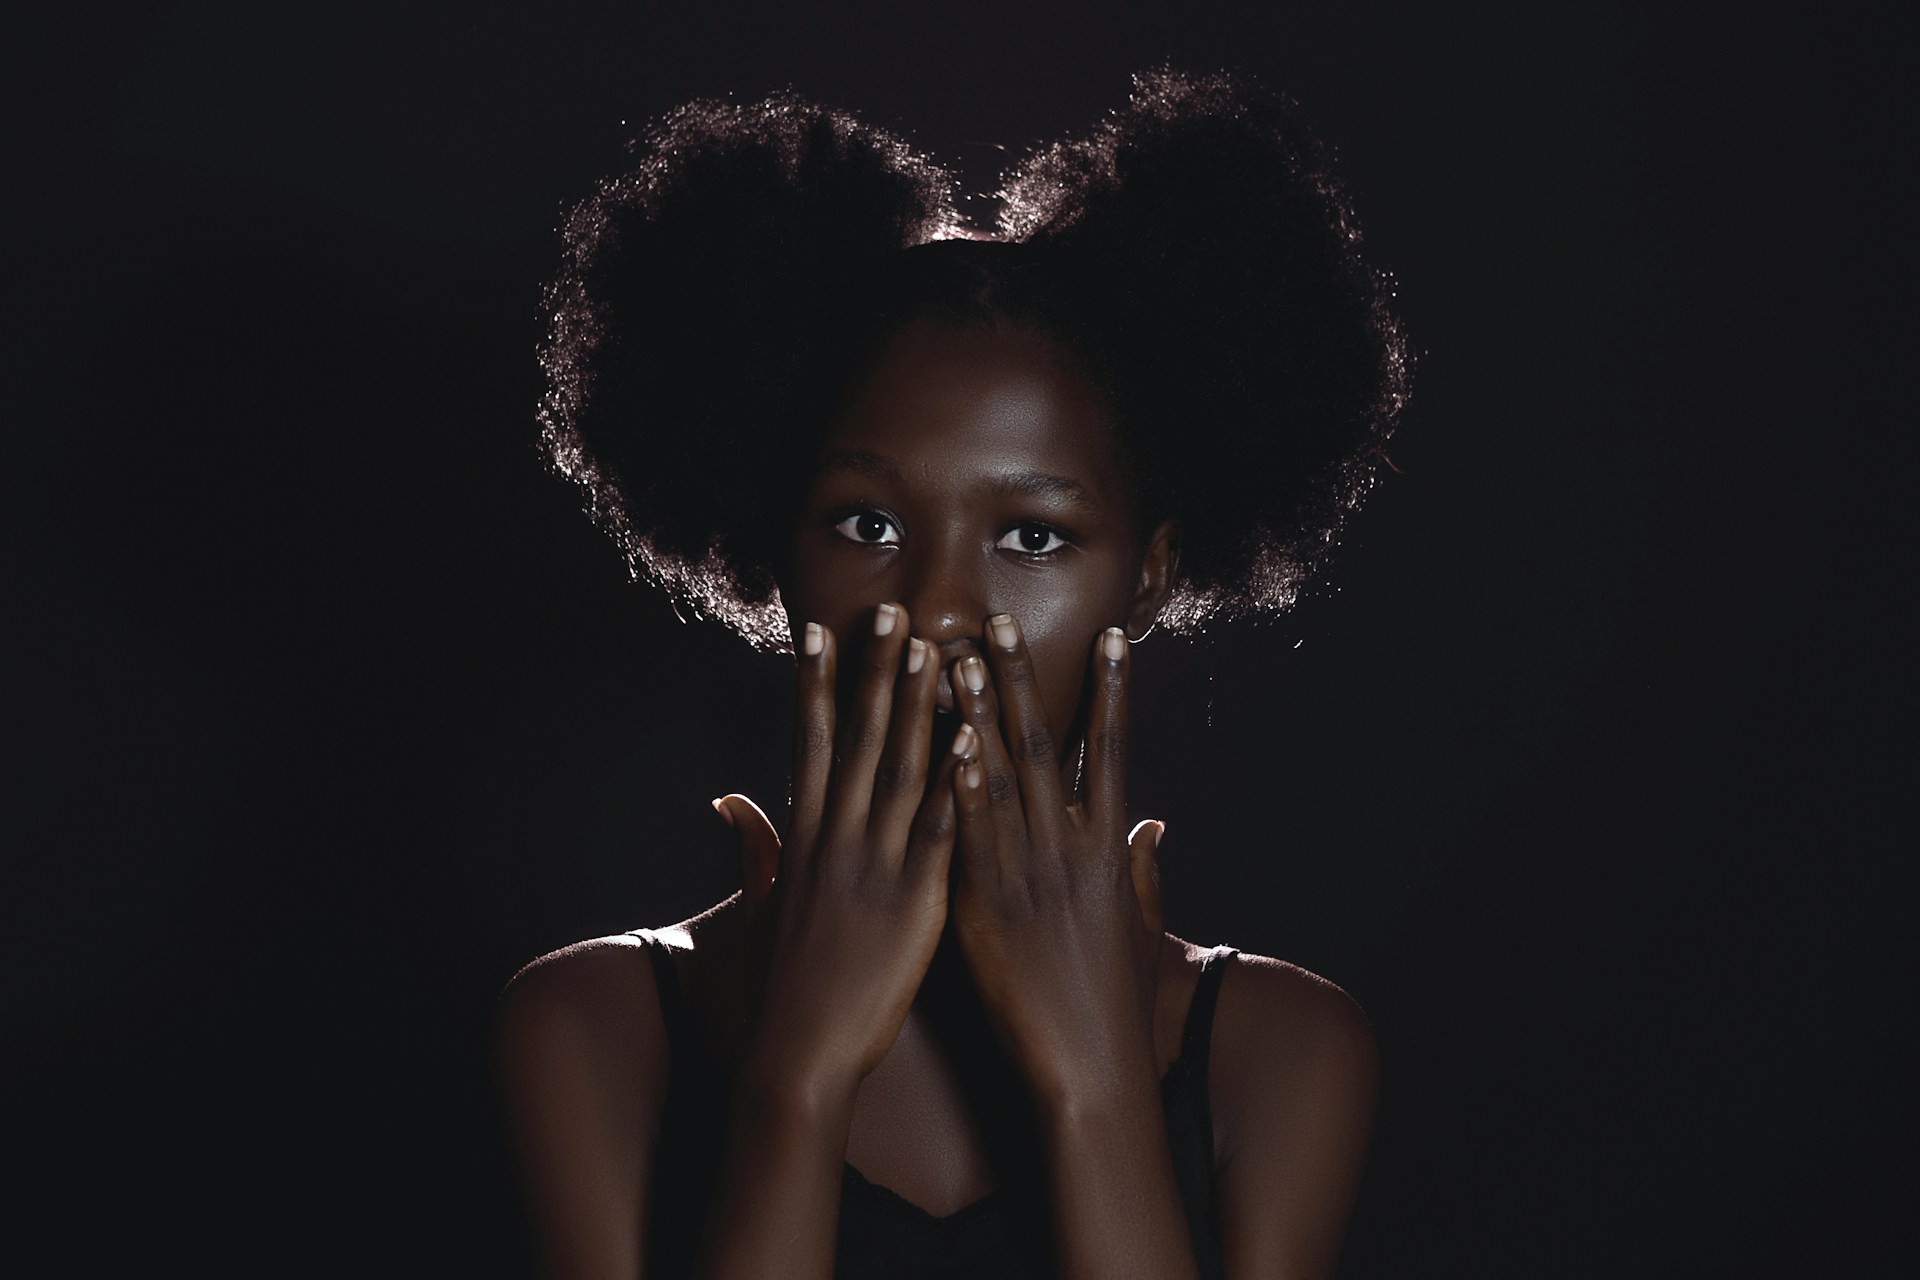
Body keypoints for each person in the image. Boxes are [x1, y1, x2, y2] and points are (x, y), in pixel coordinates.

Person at [501, 67, 1411, 1280]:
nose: (934, 610)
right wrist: (800, 1076)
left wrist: (1095, 1086)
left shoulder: (1285, 1051)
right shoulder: (591, 1026)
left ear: (1146, 577)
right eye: (866, 525)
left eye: (1033, 536)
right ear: (777, 551)